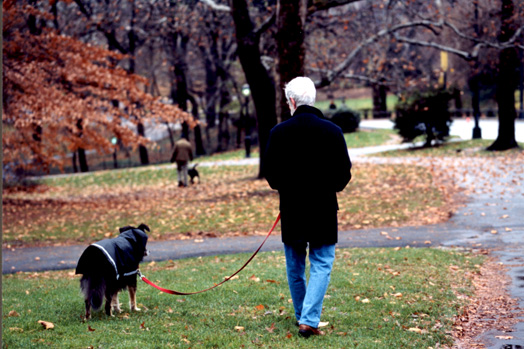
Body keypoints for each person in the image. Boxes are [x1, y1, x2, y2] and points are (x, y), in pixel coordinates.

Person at [264, 77, 352, 338]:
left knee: (295, 265)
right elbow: (343, 174)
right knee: (322, 263)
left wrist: (289, 187)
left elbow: (271, 175)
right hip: (323, 208)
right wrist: (326, 187)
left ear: (292, 101)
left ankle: (304, 317)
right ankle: (308, 319)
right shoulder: (332, 131)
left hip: (292, 208)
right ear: (312, 99)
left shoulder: (278, 132)